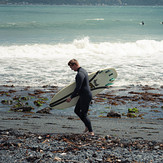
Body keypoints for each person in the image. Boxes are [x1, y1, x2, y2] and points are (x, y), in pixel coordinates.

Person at [66, 59, 94, 136]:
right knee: (77, 110)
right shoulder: (83, 70)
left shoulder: (80, 74)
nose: (71, 69)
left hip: (85, 95)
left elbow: (78, 88)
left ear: (74, 65)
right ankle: (87, 126)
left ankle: (91, 131)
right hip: (83, 95)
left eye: (71, 67)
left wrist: (71, 97)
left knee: (84, 114)